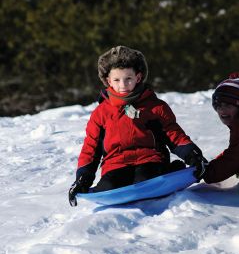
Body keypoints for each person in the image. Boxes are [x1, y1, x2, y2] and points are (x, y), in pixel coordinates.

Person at [69, 45, 205, 206]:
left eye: (128, 78)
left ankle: (170, 170)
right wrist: (83, 178)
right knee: (109, 187)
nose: (123, 85)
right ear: (108, 81)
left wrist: (193, 155)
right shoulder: (101, 113)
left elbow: (173, 134)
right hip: (115, 164)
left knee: (146, 181)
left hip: (149, 159)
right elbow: (91, 148)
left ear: (138, 77)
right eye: (117, 80)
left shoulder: (155, 107)